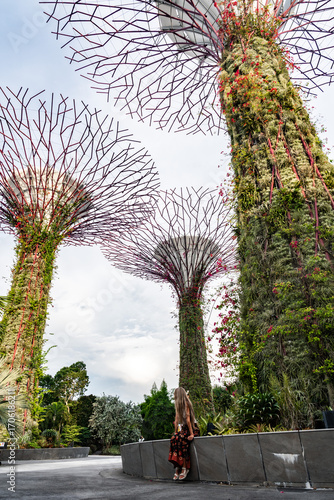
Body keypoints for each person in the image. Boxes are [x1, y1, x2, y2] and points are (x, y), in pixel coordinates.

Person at [168, 387, 199, 481]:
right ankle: (177, 466)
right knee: (174, 438)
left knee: (182, 439)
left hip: (192, 427)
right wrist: (175, 433)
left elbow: (189, 420)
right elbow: (176, 420)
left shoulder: (186, 403)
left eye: (175, 394)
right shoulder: (178, 405)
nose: (174, 396)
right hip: (184, 428)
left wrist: (192, 434)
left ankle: (185, 468)